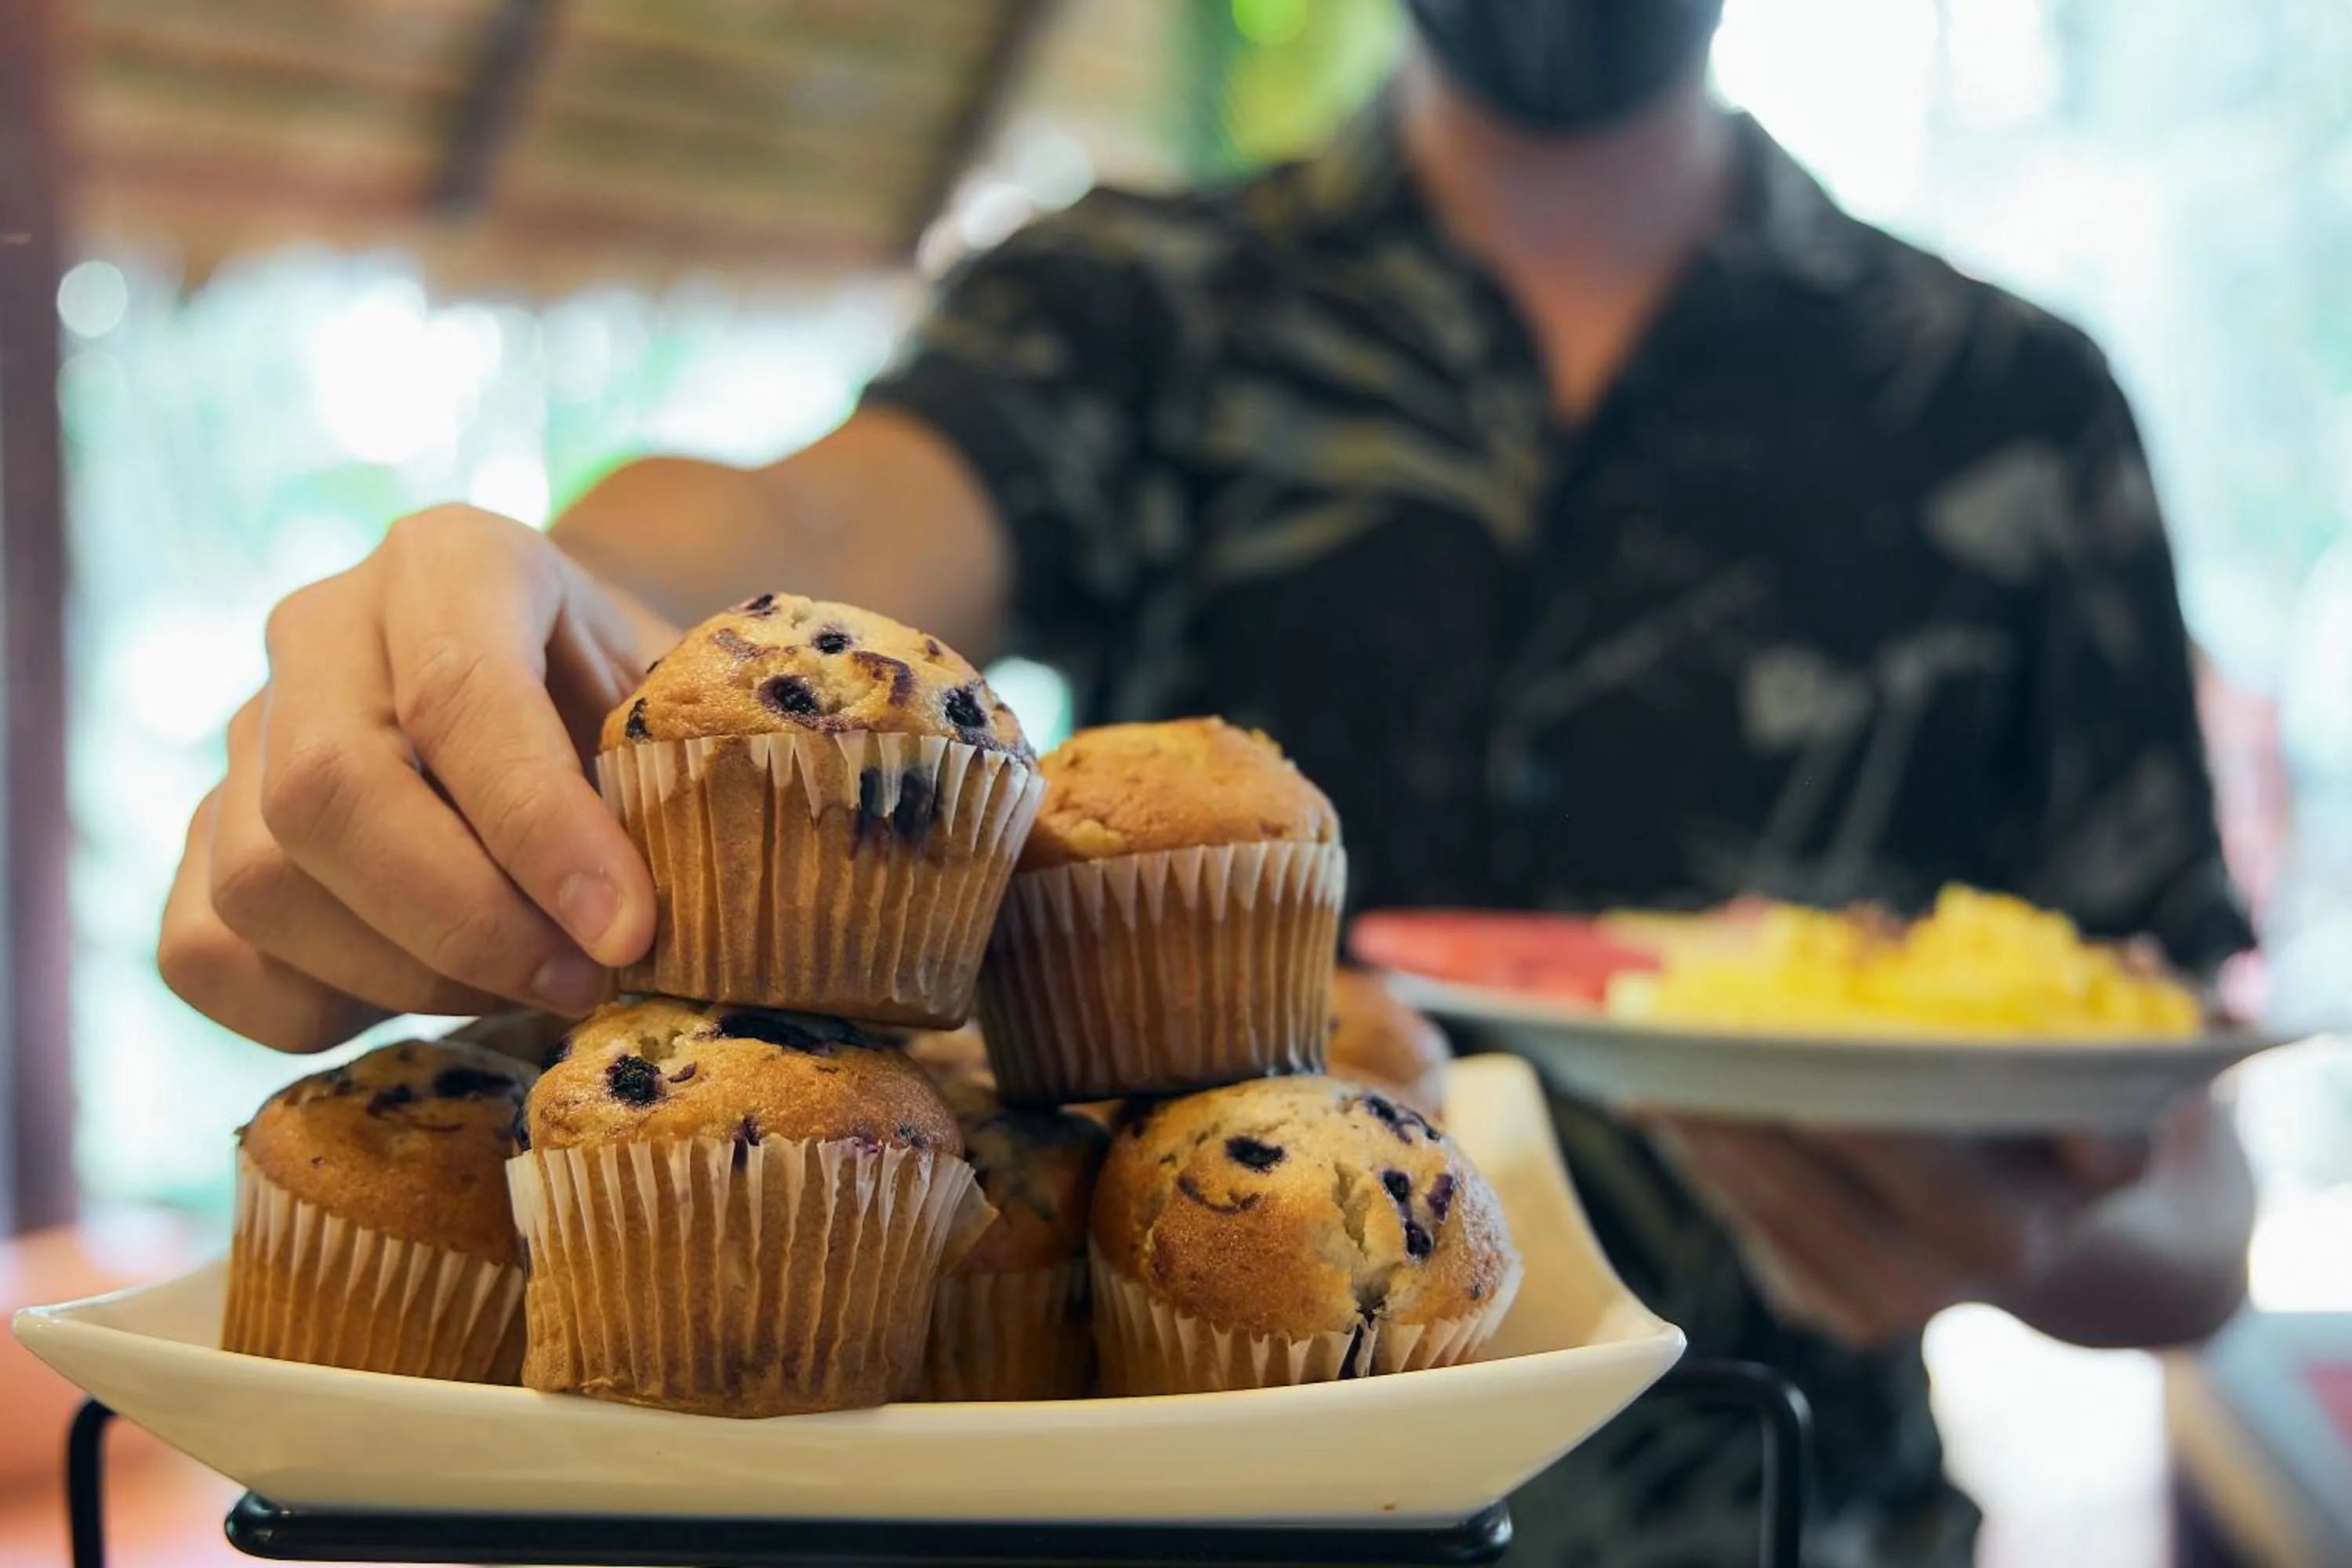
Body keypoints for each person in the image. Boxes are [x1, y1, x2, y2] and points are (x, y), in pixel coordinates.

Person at [157, 2, 2256, 1560]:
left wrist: (2035, 1229)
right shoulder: (1131, 312)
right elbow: (816, 530)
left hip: (1791, 1519)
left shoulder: (2014, 411)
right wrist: (547, 603)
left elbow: (2198, 1207)